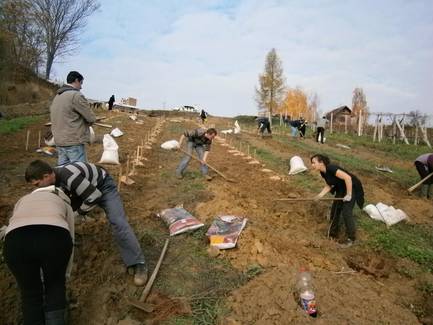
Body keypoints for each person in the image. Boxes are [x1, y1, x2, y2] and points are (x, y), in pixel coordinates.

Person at [24, 160, 148, 286]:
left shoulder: (69, 176)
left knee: (118, 221)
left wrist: (77, 214)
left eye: (37, 184)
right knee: (63, 215)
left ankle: (138, 263)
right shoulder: (53, 180)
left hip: (102, 187)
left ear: (46, 176)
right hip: (80, 191)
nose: (37, 188)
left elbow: (94, 196)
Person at [3, 186, 74, 325]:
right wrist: (65, 272)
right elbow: (70, 236)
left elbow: (13, 224)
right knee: (55, 286)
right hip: (54, 237)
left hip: (15, 241)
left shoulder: (22, 200)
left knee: (29, 293)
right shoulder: (63, 202)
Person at [310, 154, 364, 248]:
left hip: (351, 187)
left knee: (346, 212)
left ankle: (351, 239)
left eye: (314, 163)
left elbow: (348, 178)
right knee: (335, 210)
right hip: (341, 189)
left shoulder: (331, 168)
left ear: (321, 162)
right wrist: (320, 195)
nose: (312, 165)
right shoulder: (323, 172)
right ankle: (332, 235)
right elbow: (329, 185)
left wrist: (349, 194)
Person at [50, 71, 96, 166]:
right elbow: (91, 118)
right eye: (81, 83)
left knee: (63, 173)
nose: (81, 87)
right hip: (73, 142)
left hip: (59, 141)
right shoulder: (76, 96)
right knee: (78, 173)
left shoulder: (57, 96)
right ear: (76, 81)